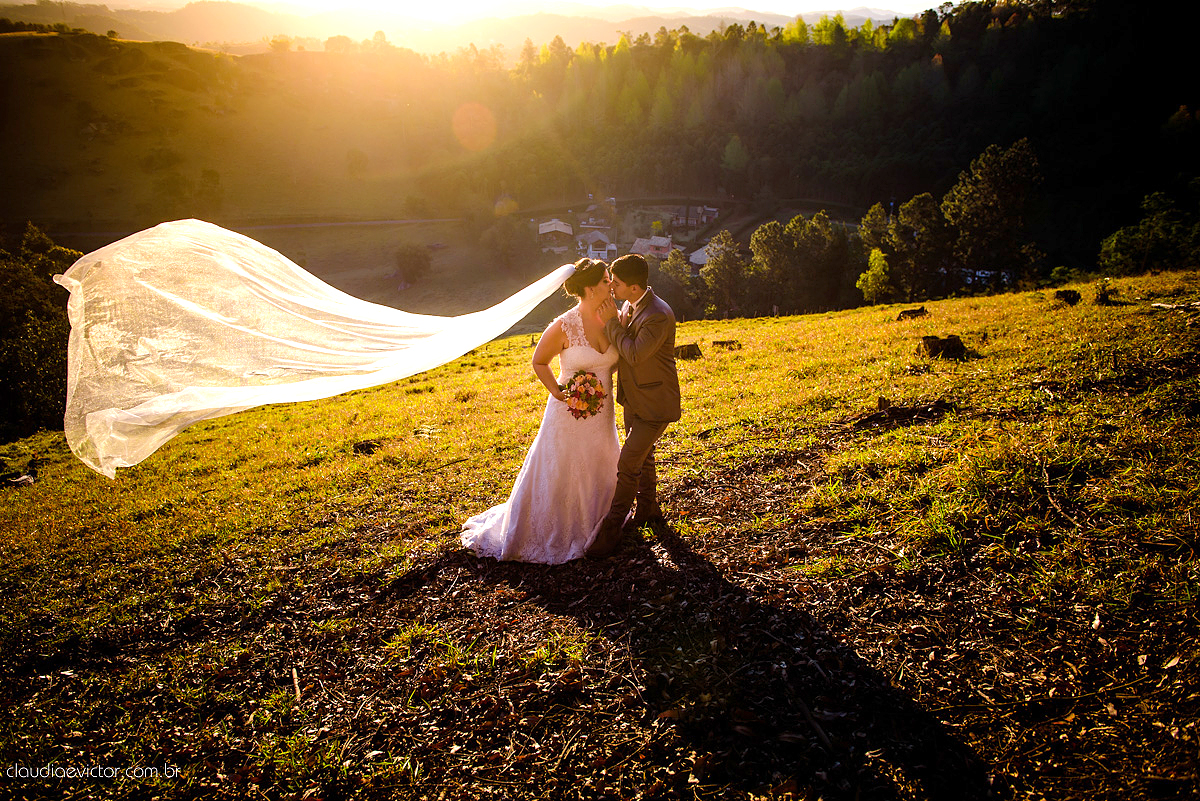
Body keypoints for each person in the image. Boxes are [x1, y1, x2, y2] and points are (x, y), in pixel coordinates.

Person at [461, 259, 620, 563]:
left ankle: (599, 520)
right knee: (562, 467)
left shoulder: (613, 318)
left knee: (599, 461)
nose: (610, 284)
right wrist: (557, 391)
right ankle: (556, 528)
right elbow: (539, 361)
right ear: (589, 289)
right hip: (567, 414)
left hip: (603, 414)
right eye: (605, 280)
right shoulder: (564, 325)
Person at [586, 253, 681, 559]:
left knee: (628, 463)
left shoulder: (658, 314)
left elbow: (635, 354)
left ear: (634, 287)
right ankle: (649, 509)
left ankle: (612, 529)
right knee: (644, 456)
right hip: (633, 398)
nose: (611, 286)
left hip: (655, 403)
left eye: (616, 282)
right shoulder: (630, 304)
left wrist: (612, 323)